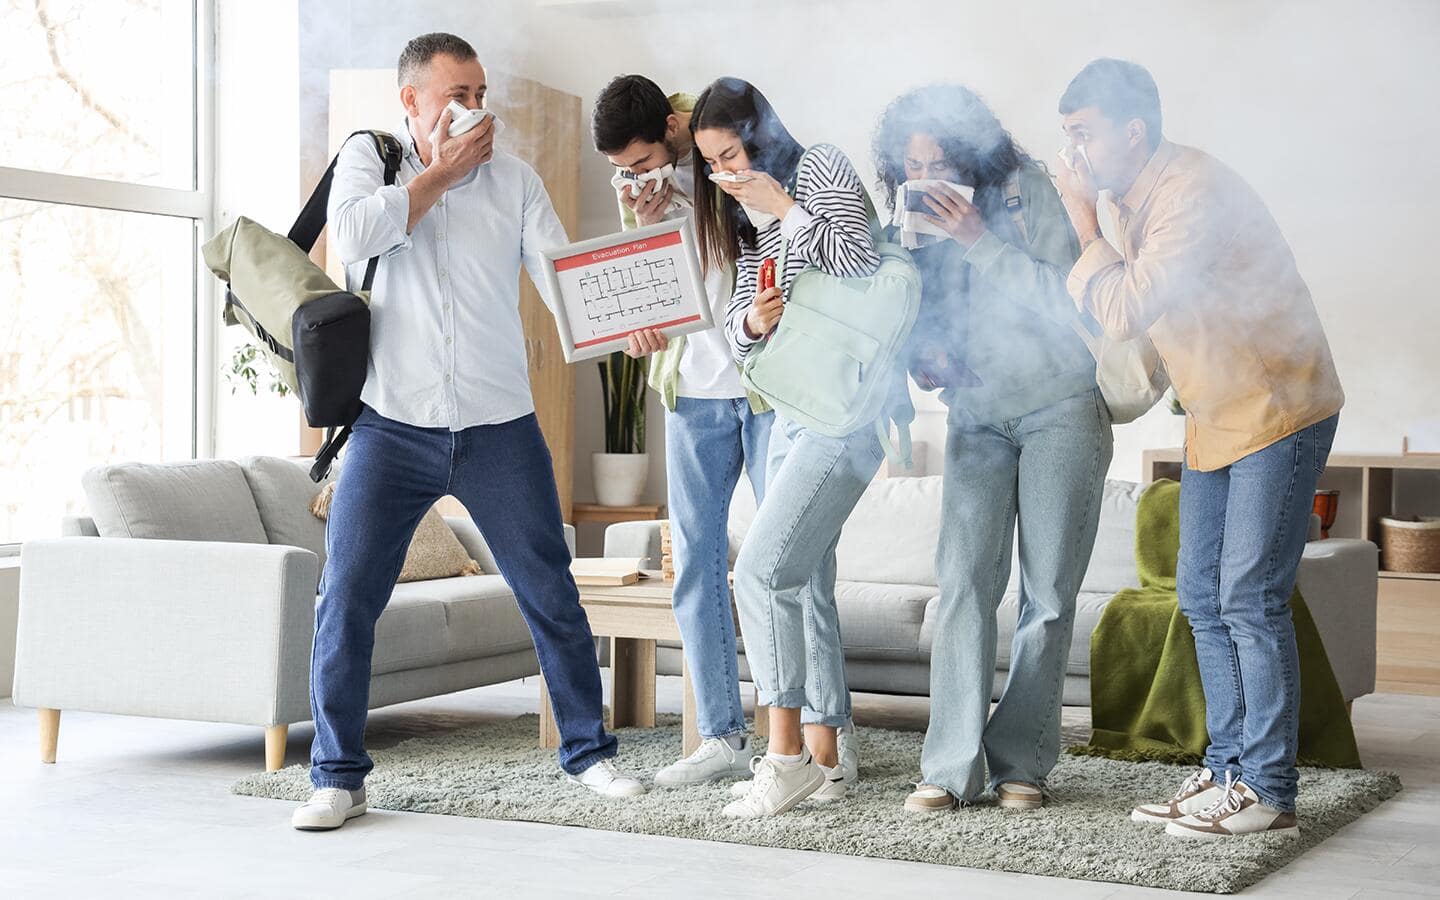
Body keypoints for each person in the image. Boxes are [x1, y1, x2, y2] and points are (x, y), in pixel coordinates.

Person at [291, 32, 645, 832]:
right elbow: (352, 237)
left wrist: (623, 319)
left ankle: (589, 754)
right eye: (459, 95)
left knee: (550, 590)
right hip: (391, 427)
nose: (476, 109)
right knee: (346, 598)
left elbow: (560, 278)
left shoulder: (514, 181)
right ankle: (337, 777)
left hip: (499, 426)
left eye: (481, 94)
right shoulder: (369, 161)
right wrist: (441, 176)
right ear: (412, 101)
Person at [1055, 58, 1343, 839]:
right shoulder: (1132, 199)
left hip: (1276, 405)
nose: (1072, 154)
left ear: (1133, 131)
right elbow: (1149, 331)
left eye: (1082, 134)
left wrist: (1082, 223)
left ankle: (1269, 792)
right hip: (1216, 411)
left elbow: (1128, 307)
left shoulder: (1190, 192)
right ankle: (1226, 772)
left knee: (1248, 597)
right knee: (1201, 597)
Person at [871, 85, 1113, 814]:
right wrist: (925, 357)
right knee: (963, 585)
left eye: (939, 163)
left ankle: (1022, 764)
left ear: (972, 153)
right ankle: (948, 768)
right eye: (911, 166)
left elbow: (1072, 300)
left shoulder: (1027, 192)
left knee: (1048, 596)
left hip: (1060, 407)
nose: (925, 179)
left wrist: (978, 238)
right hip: (976, 416)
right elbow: (917, 312)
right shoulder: (909, 215)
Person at [689, 76, 882, 818]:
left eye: (731, 155)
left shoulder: (819, 166)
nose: (725, 174)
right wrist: (753, 323)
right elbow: (738, 326)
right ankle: (822, 761)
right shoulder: (744, 209)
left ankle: (792, 758)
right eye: (712, 164)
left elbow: (859, 262)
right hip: (789, 410)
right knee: (789, 577)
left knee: (768, 571)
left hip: (844, 407)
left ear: (760, 133)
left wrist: (785, 209)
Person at [590, 75, 774, 786]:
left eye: (640, 162)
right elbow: (649, 293)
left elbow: (768, 237)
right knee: (695, 562)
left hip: (762, 389)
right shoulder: (639, 191)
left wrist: (694, 191)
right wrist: (639, 325)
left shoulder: (730, 145)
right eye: (622, 170)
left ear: (672, 128)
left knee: (784, 561)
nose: (633, 178)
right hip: (691, 393)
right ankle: (723, 736)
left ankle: (820, 731)